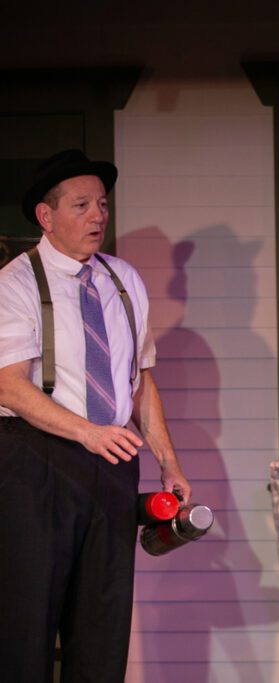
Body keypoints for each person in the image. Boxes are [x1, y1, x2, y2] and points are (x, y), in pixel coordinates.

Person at [0, 149, 191, 681]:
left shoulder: (122, 279)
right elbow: (9, 386)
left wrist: (168, 463)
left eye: (102, 204)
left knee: (102, 626)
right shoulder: (15, 283)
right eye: (81, 205)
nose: (97, 216)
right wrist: (87, 433)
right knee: (27, 625)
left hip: (111, 463)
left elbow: (139, 380)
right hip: (36, 462)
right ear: (46, 216)